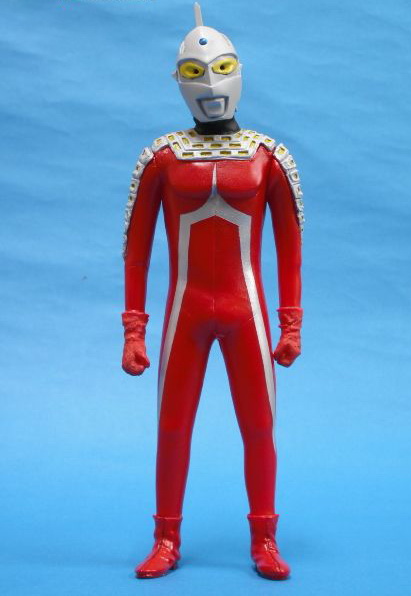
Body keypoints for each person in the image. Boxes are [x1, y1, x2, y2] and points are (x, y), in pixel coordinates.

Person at [121, 3, 304, 580]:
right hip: (187, 310)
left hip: (245, 310)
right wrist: (133, 328)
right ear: (178, 79)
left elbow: (291, 247)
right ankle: (166, 537)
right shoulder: (162, 157)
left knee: (259, 426)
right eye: (194, 72)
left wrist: (291, 323)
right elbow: (136, 249)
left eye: (220, 68)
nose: (209, 83)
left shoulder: (268, 156)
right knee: (172, 427)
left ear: (238, 71)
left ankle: (265, 538)